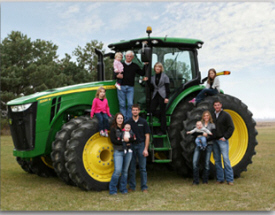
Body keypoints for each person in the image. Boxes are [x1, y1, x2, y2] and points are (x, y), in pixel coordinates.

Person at [115, 50, 146, 122]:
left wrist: (145, 65)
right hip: (121, 87)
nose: (129, 57)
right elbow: (115, 73)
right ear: (125, 57)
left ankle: (128, 120)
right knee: (122, 104)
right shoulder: (120, 65)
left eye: (130, 56)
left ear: (132, 57)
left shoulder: (135, 66)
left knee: (130, 104)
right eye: (127, 56)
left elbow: (142, 73)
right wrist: (117, 75)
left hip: (130, 87)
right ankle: (123, 120)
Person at [126, 104, 150, 193]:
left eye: (136, 110)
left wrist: (146, 149)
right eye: (133, 110)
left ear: (139, 111)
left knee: (142, 168)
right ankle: (132, 186)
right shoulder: (128, 123)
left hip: (141, 145)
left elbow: (147, 136)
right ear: (131, 111)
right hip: (131, 146)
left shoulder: (143, 122)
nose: (135, 111)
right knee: (132, 167)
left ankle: (144, 187)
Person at [109, 113, 133, 195]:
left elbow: (132, 137)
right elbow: (113, 140)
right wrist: (123, 141)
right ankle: (112, 189)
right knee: (117, 170)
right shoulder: (113, 129)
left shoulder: (126, 128)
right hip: (118, 152)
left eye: (121, 118)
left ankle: (123, 188)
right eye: (118, 118)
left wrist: (129, 140)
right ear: (115, 119)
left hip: (128, 151)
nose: (120, 120)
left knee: (125, 171)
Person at [212, 99, 235, 185]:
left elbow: (231, 127)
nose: (217, 107)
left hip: (222, 141)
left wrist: (225, 137)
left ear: (221, 105)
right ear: (213, 106)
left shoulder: (226, 115)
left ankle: (230, 180)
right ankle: (220, 179)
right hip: (215, 140)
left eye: (218, 105)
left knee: (225, 159)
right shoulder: (213, 115)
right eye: (215, 105)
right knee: (217, 160)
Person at [191, 111, 216, 185]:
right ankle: (196, 181)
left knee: (206, 163)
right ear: (203, 117)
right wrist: (202, 134)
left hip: (208, 145)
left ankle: (205, 180)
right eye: (205, 116)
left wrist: (205, 138)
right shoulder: (199, 124)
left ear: (209, 117)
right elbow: (194, 133)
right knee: (195, 162)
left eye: (207, 116)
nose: (206, 117)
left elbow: (213, 136)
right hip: (198, 145)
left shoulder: (212, 125)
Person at [149, 62, 170, 135]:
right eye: (156, 67)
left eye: (159, 67)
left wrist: (167, 97)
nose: (157, 68)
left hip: (162, 95)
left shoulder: (165, 77)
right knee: (151, 110)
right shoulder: (153, 77)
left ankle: (163, 130)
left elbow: (167, 87)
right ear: (154, 68)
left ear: (161, 68)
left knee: (163, 111)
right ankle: (161, 118)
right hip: (155, 95)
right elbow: (151, 88)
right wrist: (146, 81)